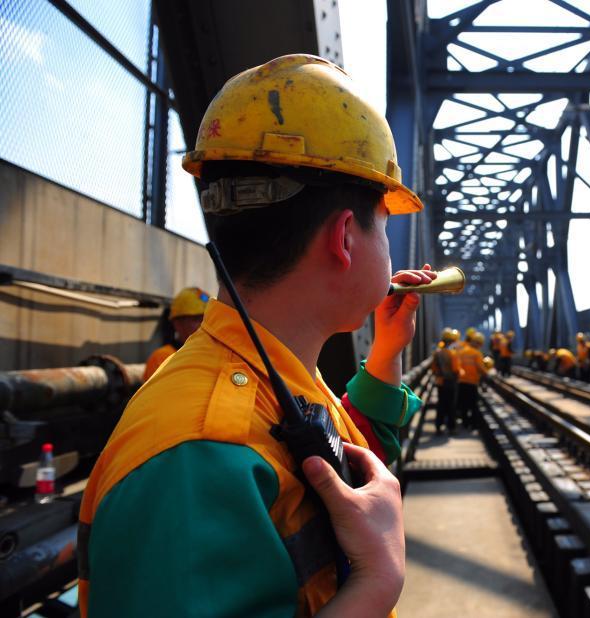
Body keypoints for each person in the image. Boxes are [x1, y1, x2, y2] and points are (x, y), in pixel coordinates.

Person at [78, 55, 434, 617]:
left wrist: (386, 353)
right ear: (345, 237)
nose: (390, 247)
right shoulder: (200, 455)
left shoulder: (265, 373)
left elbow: (333, 462)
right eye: (385, 225)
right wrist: (378, 580)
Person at [142, 287, 210, 380]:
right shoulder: (162, 358)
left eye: (207, 319)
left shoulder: (214, 355)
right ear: (177, 323)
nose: (204, 324)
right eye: (197, 319)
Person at [431, 328, 461, 434]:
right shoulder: (452, 353)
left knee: (441, 404)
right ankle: (451, 427)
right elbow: (456, 369)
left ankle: (438, 426)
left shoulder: (437, 353)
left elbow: (433, 368)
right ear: (452, 341)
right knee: (451, 404)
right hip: (451, 382)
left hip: (440, 381)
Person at [456, 332, 487, 430]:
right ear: (478, 343)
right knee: (473, 405)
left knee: (464, 403)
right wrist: (486, 374)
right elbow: (480, 368)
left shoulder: (462, 352)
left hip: (461, 381)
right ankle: (473, 424)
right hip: (472, 382)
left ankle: (465, 423)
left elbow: (457, 365)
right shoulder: (477, 353)